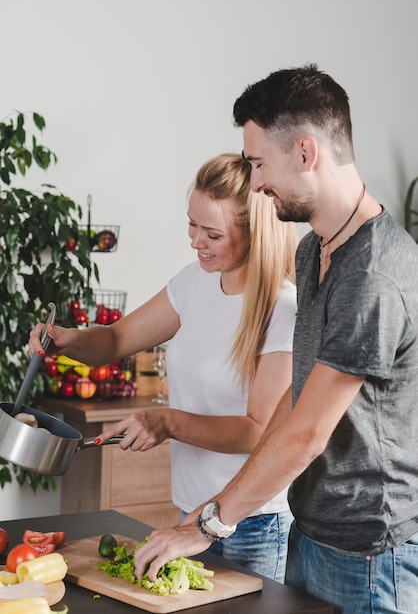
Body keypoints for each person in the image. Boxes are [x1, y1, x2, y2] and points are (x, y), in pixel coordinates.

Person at [129, 64, 418, 614]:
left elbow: (308, 431)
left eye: (259, 163)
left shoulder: (372, 273)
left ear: (306, 153)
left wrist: (213, 523)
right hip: (310, 535)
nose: (255, 181)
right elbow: (294, 404)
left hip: (371, 555)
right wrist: (219, 506)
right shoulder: (312, 251)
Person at [30, 152, 299, 582]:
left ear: (255, 234)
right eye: (192, 224)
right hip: (191, 510)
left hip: (253, 523)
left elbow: (258, 431)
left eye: (211, 233)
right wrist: (67, 340)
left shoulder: (282, 309)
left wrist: (168, 422)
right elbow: (117, 339)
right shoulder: (195, 282)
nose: (195, 241)